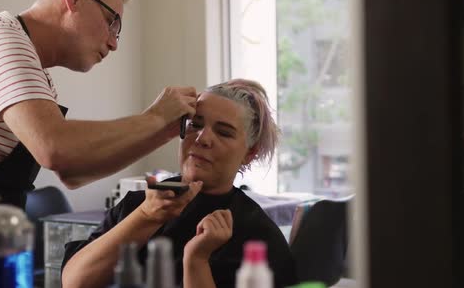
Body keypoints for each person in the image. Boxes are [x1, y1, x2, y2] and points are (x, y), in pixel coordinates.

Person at [0, 0, 196, 208]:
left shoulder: (39, 78)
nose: (113, 44)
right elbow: (53, 147)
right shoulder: (0, 40)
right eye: (112, 23)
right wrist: (155, 116)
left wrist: (164, 130)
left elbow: (73, 172)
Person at [61, 79, 297, 288]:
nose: (203, 138)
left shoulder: (257, 236)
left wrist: (197, 260)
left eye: (224, 133)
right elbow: (74, 281)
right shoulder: (139, 204)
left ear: (249, 153)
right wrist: (145, 216)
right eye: (195, 124)